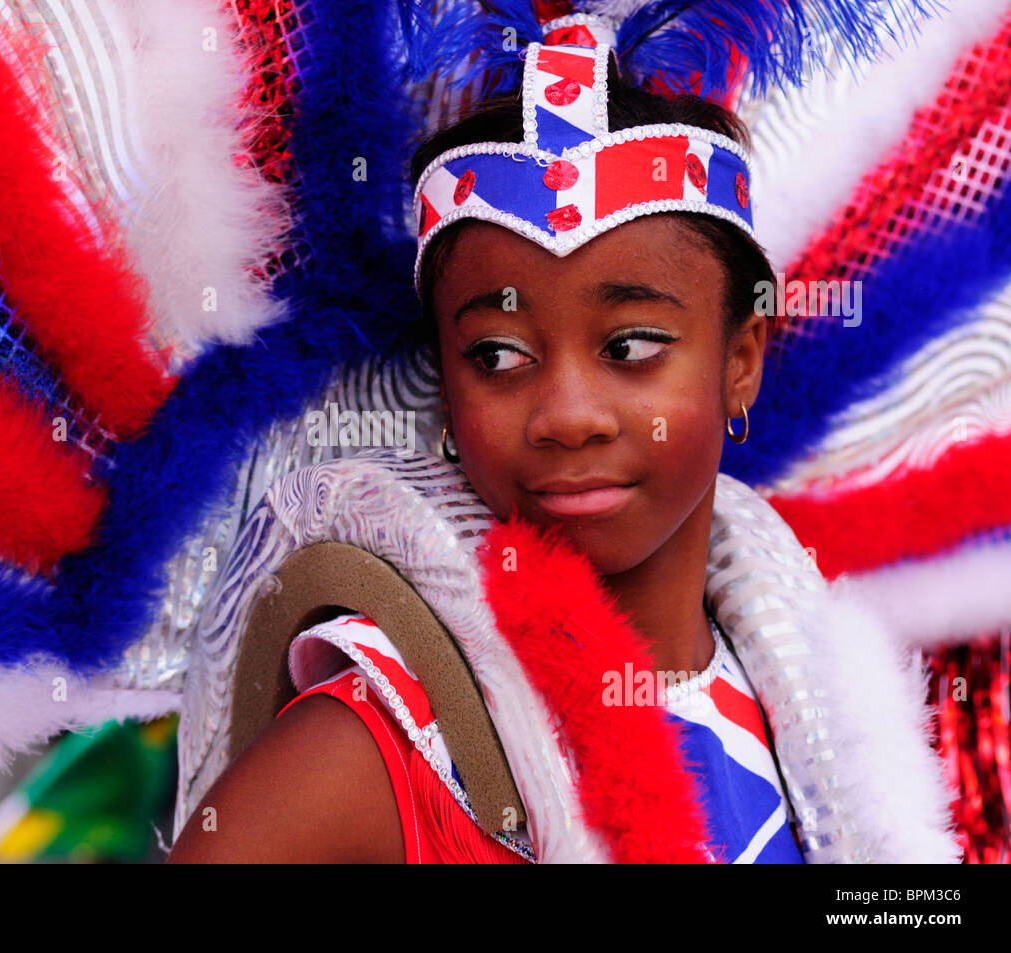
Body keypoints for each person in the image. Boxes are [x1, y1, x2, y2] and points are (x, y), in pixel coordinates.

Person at [168, 13, 956, 864]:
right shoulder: (380, 743)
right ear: (445, 382)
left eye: (630, 346)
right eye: (498, 355)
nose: (566, 414)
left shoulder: (832, 713)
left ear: (741, 360)